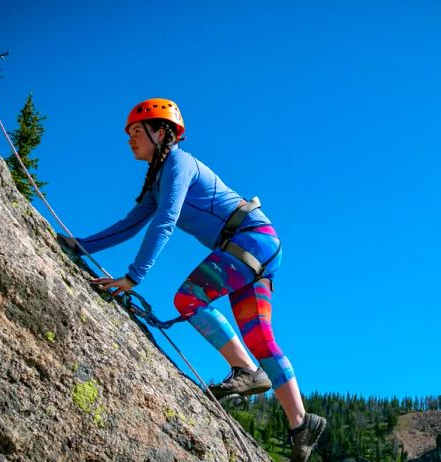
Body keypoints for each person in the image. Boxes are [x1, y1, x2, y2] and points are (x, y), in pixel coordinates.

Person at [58, 98, 326, 461]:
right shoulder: (158, 181)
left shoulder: (178, 164)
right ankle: (301, 423)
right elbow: (130, 225)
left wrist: (134, 276)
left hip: (249, 239)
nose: (130, 140)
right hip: (258, 244)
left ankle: (246, 370)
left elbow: (166, 220)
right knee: (260, 338)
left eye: (137, 132)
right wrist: (79, 246)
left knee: (189, 298)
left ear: (160, 133)